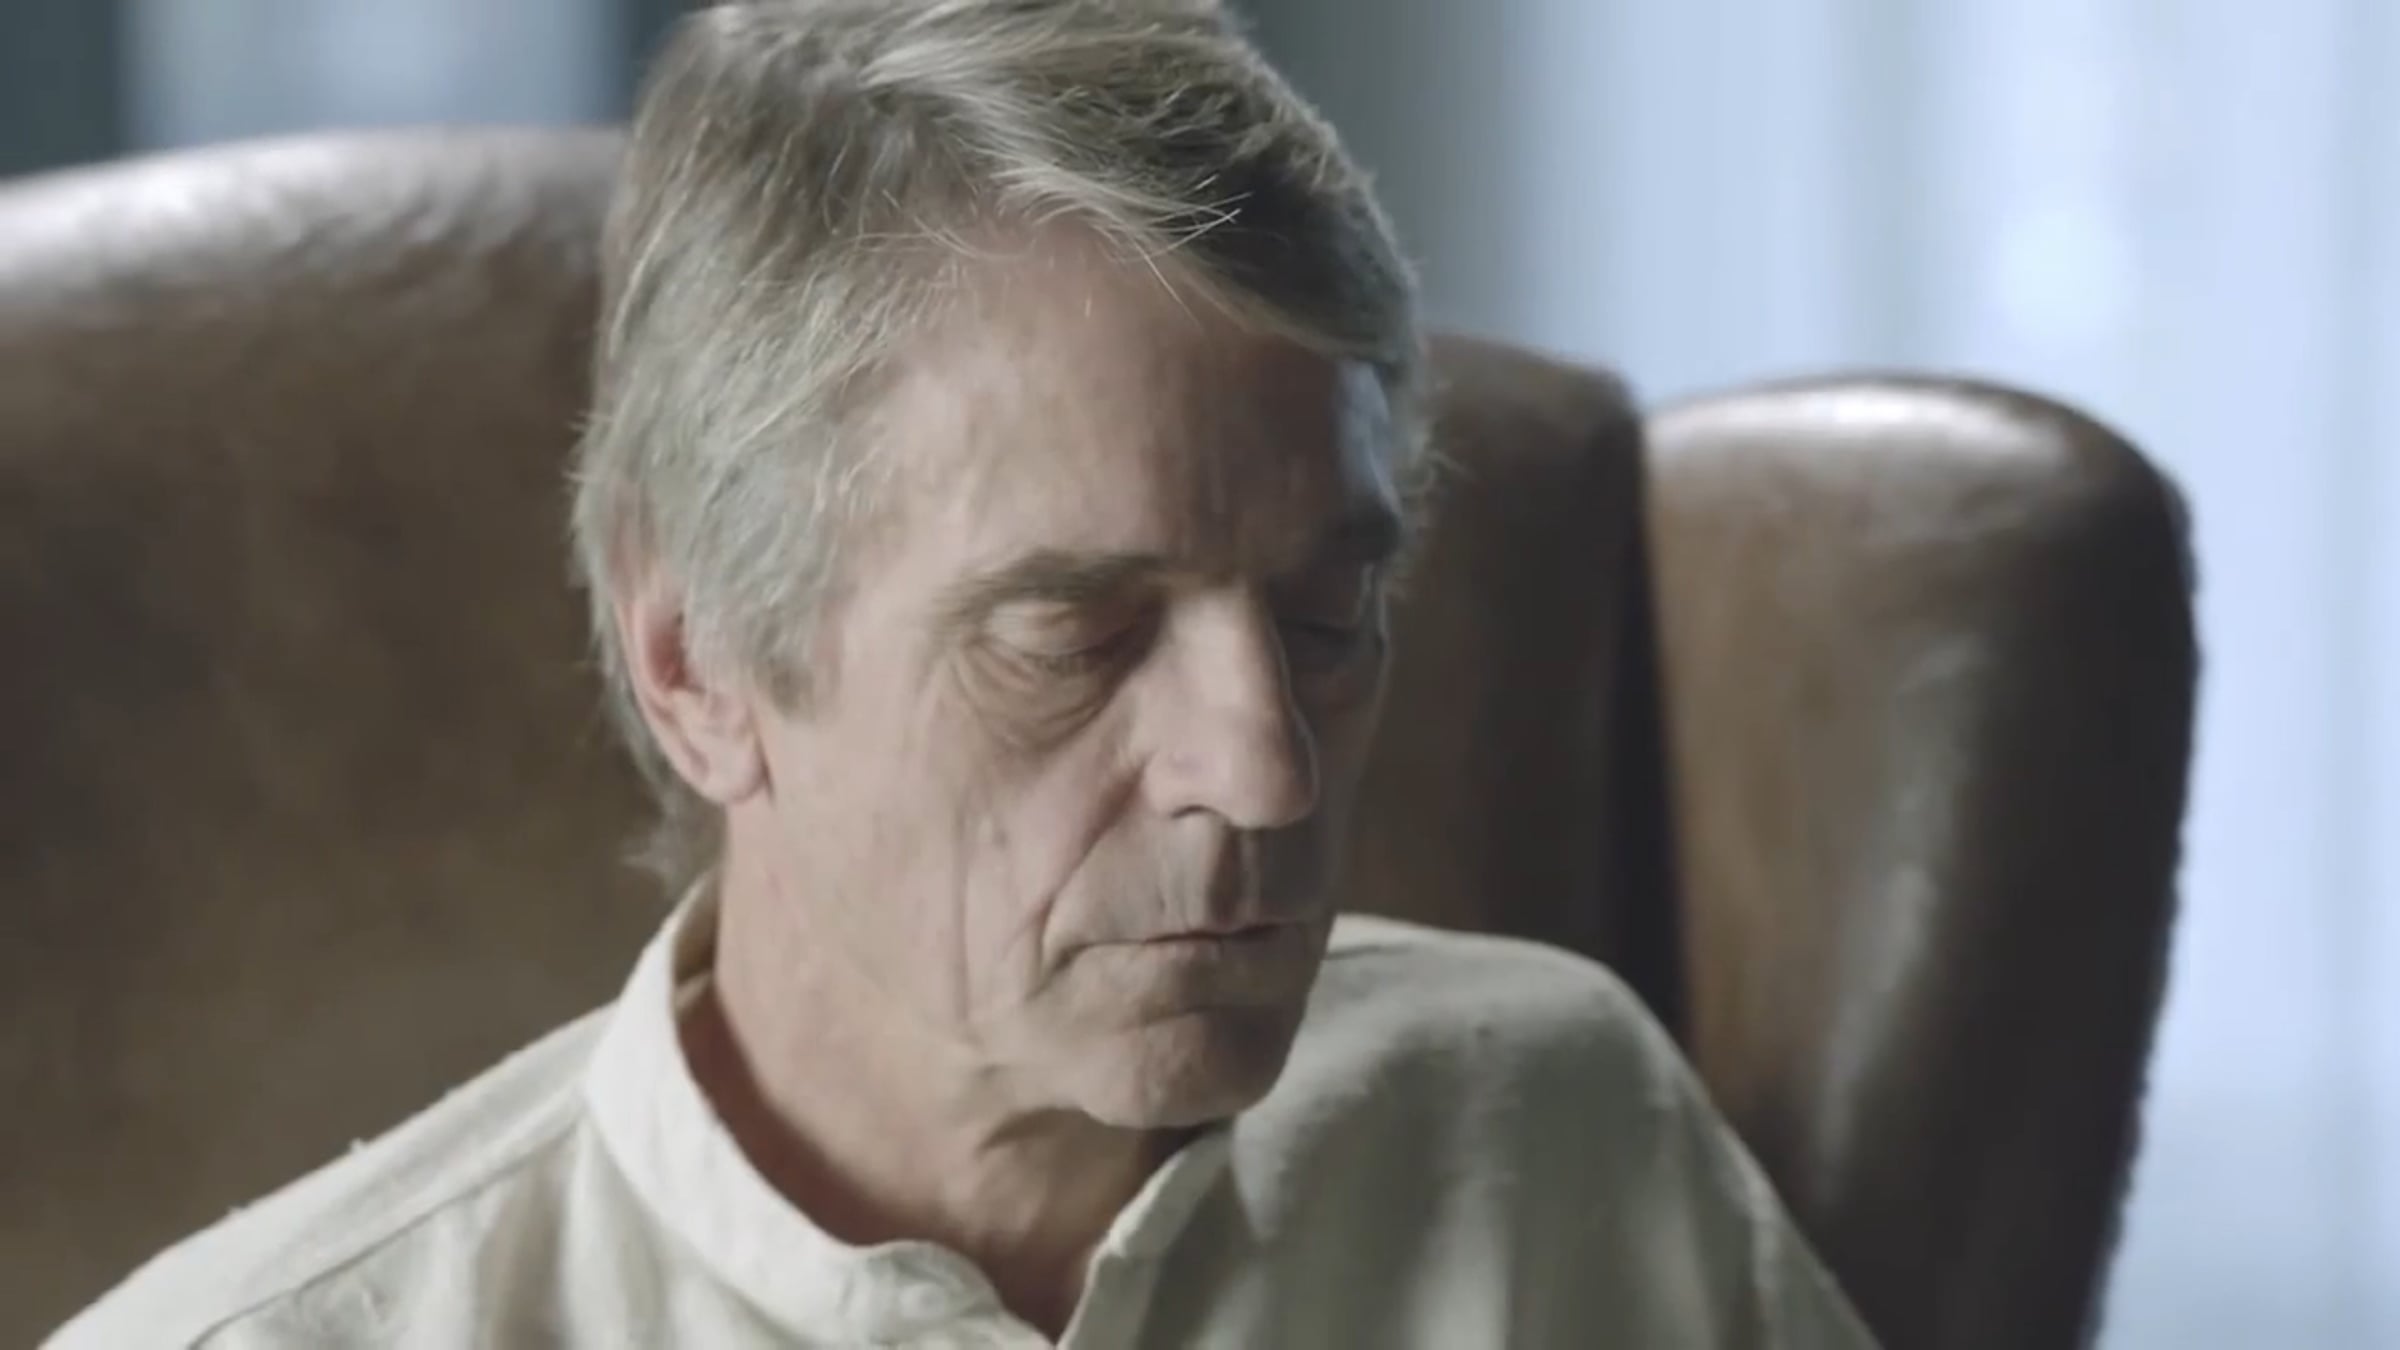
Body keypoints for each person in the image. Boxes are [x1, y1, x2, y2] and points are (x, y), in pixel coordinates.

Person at [51, 1, 1879, 1345]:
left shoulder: (1561, 1139)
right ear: (697, 659)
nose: (1268, 770)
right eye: (1077, 632)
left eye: (1329, 613)